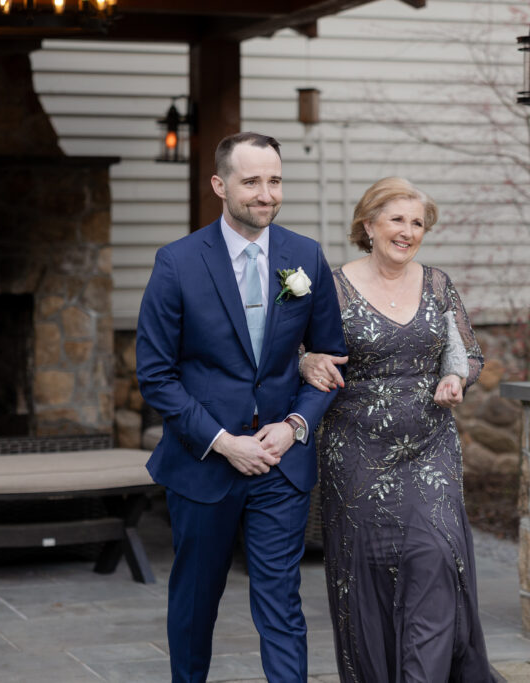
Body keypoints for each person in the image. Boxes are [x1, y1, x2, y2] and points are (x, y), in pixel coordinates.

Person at [136, 132, 347, 683]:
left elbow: (325, 361)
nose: (265, 193)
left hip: (280, 464)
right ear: (220, 185)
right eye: (251, 181)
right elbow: (156, 377)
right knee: (195, 602)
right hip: (205, 461)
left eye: (274, 180)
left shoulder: (306, 257)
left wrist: (296, 425)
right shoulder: (177, 263)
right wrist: (223, 442)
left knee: (281, 603)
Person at [301, 177, 494, 682]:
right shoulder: (332, 286)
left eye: (417, 223)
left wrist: (456, 376)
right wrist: (307, 365)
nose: (408, 231)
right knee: (367, 577)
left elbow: (468, 351)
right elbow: (296, 352)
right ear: (368, 225)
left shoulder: (437, 284)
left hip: (430, 446)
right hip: (357, 453)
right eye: (397, 220)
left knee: (434, 558)